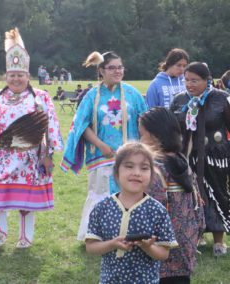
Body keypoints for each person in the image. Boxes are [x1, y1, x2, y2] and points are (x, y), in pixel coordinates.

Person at [0, 28, 63, 248]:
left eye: (20, 75)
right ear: (6, 76)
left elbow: (49, 127)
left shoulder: (39, 97)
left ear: (28, 76)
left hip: (29, 157)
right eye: (12, 75)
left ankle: (25, 236)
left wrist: (47, 155)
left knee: (26, 201)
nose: (16, 79)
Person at [61, 51, 147, 241]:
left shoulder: (132, 94)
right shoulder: (91, 96)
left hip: (130, 155)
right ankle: (96, 236)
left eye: (120, 67)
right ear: (101, 71)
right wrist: (102, 145)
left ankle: (130, 234)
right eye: (112, 68)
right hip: (101, 155)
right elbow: (81, 126)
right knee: (101, 193)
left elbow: (145, 121)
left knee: (131, 192)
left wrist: (142, 149)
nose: (117, 71)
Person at [85, 142, 178, 284]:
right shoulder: (101, 208)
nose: (136, 172)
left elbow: (164, 254)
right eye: (129, 166)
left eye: (144, 168)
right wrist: (112, 244)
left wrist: (148, 247)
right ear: (116, 172)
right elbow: (91, 247)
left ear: (151, 175)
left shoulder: (158, 211)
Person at [170, 62, 230, 256]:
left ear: (207, 80)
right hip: (187, 157)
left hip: (216, 157)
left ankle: (219, 241)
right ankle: (196, 236)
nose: (190, 84)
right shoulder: (179, 100)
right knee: (190, 195)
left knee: (216, 194)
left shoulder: (221, 99)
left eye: (195, 80)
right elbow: (171, 129)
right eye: (186, 80)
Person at [139, 107, 205, 284]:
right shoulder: (181, 160)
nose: (140, 140)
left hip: (162, 248)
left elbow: (151, 209)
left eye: (142, 134)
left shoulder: (154, 168)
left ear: (154, 136)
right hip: (186, 240)